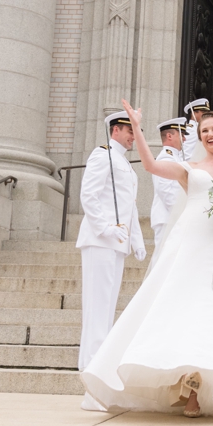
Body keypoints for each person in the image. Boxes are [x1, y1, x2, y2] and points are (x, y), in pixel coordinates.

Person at [81, 100, 213, 419]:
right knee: (185, 313)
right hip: (188, 248)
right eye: (204, 130)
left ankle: (204, 389)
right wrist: (136, 127)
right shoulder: (188, 169)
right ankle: (185, 387)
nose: (210, 134)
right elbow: (151, 165)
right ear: (200, 136)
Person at [75, 111, 147, 409]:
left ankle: (97, 378)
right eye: (130, 131)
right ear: (116, 130)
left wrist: (137, 240)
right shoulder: (101, 155)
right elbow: (88, 195)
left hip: (115, 245)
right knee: (97, 311)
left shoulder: (123, 163)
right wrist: (105, 228)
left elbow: (128, 207)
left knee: (105, 311)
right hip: (100, 241)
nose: (134, 136)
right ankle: (92, 383)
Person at [150, 117, 188, 249]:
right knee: (162, 261)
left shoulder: (175, 157)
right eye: (181, 134)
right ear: (169, 136)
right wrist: (179, 214)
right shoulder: (167, 157)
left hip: (171, 218)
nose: (185, 139)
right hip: (167, 218)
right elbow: (165, 190)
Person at [180, 97, 211, 161]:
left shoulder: (198, 128)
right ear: (194, 113)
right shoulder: (191, 129)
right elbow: (186, 154)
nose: (206, 115)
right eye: (203, 112)